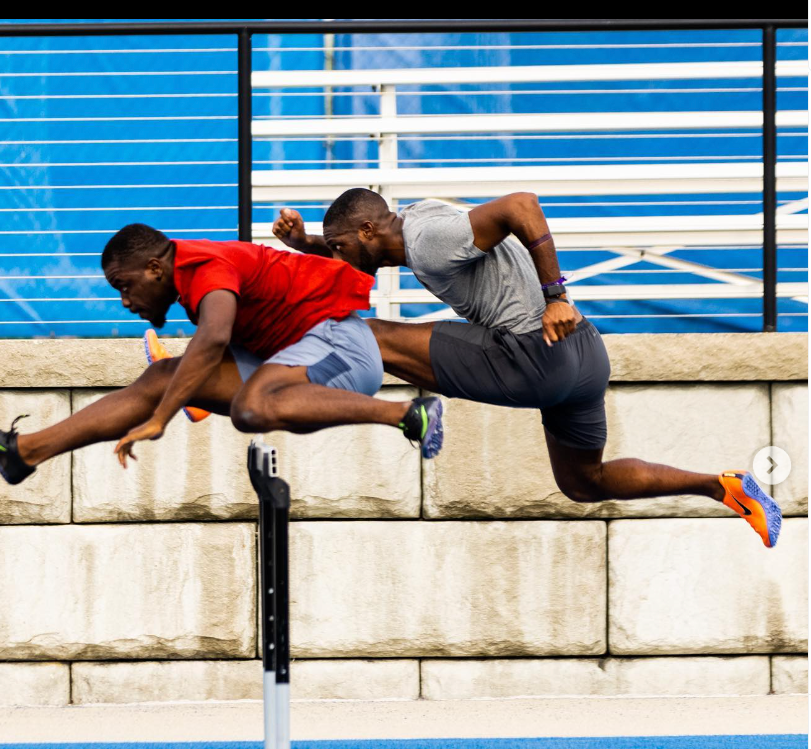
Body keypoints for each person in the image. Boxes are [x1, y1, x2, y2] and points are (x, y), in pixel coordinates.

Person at [271, 189, 782, 549]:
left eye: (339, 248)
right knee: (585, 482)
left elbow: (522, 206)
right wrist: (308, 245)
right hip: (583, 355)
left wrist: (555, 295)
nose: (337, 259)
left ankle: (269, 385)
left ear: (367, 229)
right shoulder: (411, 225)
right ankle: (722, 486)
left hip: (532, 353)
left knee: (373, 336)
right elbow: (375, 251)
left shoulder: (427, 239)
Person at [0, 223, 445, 485]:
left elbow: (214, 338)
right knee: (161, 378)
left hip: (341, 346)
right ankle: (23, 453)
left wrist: (160, 419)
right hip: (295, 347)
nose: (126, 303)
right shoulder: (190, 273)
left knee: (250, 406)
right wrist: (180, 392)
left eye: (125, 288)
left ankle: (408, 413)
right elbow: (217, 343)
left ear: (154, 267)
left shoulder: (205, 267)